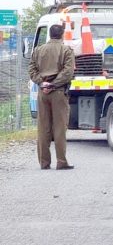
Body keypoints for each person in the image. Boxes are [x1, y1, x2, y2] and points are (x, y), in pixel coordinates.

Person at [28, 24, 75, 170]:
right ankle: (61, 162)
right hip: (59, 92)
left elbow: (31, 69)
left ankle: (44, 162)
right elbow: (68, 72)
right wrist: (54, 85)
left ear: (49, 34)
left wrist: (42, 83)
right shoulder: (66, 50)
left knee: (43, 127)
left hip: (43, 93)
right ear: (62, 34)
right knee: (60, 127)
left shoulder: (38, 50)